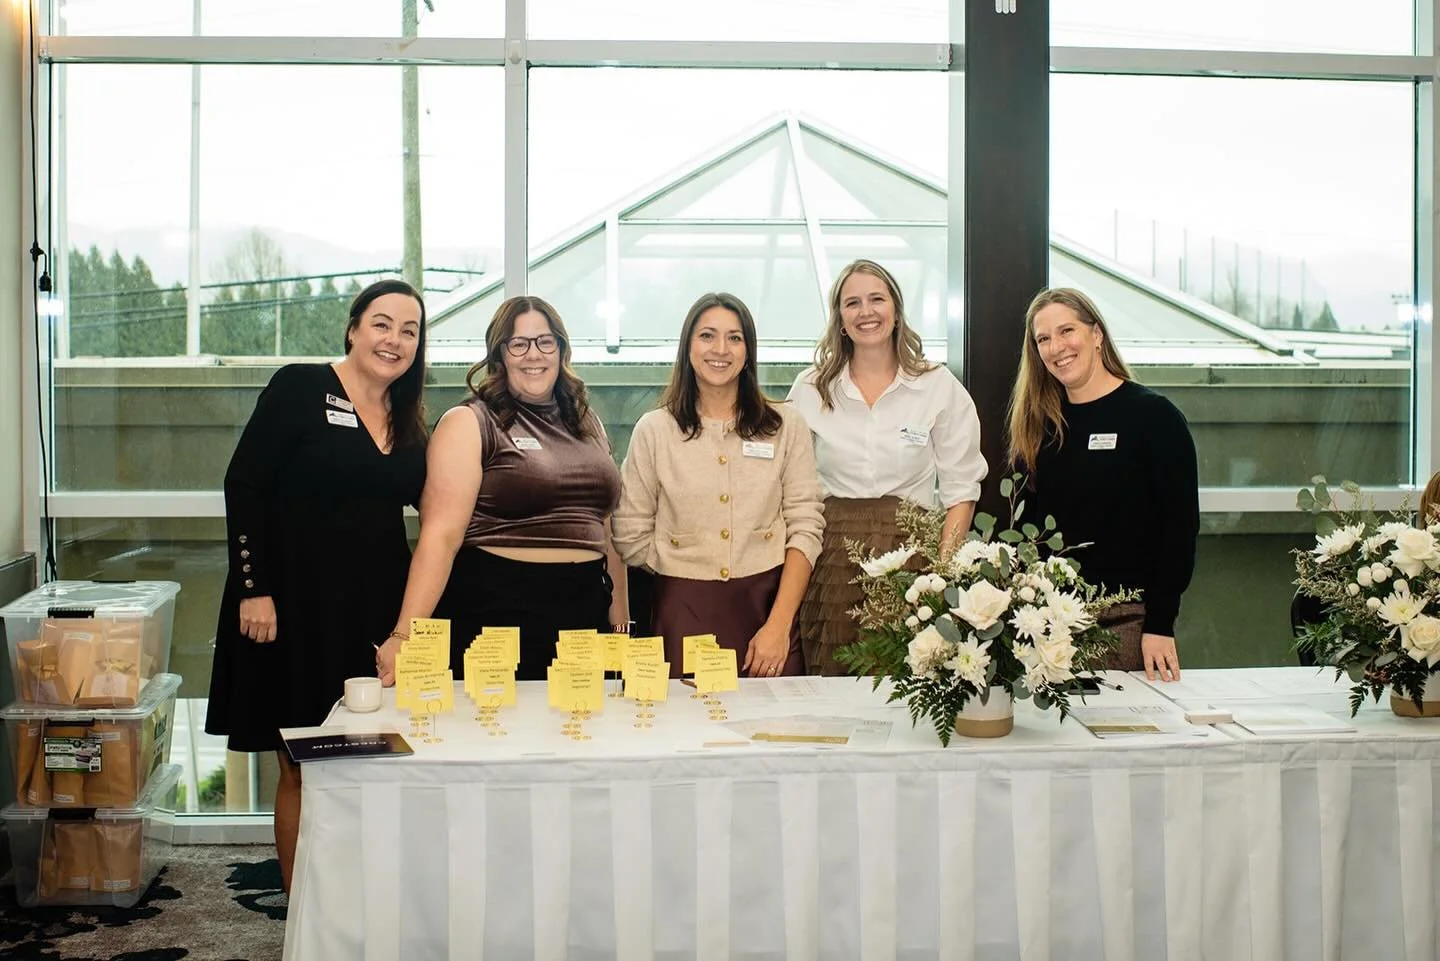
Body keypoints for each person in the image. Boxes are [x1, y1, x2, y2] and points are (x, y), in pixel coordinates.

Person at [205, 278, 428, 893]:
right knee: (304, 768)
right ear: (354, 328)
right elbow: (243, 484)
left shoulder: (409, 419)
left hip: (372, 619)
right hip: (291, 612)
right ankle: (305, 910)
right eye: (382, 323)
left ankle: (365, 900)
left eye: (409, 330)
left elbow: (438, 511)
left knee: (374, 764)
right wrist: (254, 588)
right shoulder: (301, 386)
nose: (395, 339)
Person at [376, 296, 627, 683]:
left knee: (583, 736)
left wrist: (621, 628)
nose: (534, 354)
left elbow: (605, 529)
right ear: (500, 354)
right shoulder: (469, 421)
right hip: (497, 613)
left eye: (545, 341)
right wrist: (403, 634)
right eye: (518, 343)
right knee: (500, 735)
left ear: (561, 350)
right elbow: (441, 537)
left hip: (585, 611)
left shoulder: (587, 422)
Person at [787, 259, 987, 675]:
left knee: (908, 681)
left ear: (895, 309)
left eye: (877, 299)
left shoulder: (937, 386)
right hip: (832, 562)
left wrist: (940, 578)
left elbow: (961, 489)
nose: (866, 312)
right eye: (852, 303)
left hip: (914, 561)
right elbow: (791, 488)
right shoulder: (809, 389)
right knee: (834, 681)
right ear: (840, 320)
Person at [613, 292, 824, 678]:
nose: (720, 349)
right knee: (685, 731)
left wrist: (778, 624)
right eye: (707, 336)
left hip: (768, 610)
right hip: (682, 613)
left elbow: (806, 527)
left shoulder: (785, 426)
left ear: (748, 352)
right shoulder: (655, 430)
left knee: (774, 730)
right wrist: (682, 559)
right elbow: (629, 532)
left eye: (735, 337)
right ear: (688, 347)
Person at [1007, 286, 1198, 681]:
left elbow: (1180, 528)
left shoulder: (1153, 417)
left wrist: (1160, 624)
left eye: (1067, 331)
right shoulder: (1038, 427)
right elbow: (1024, 533)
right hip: (1049, 626)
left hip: (1126, 622)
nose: (1057, 347)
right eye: (1043, 339)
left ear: (1096, 335)